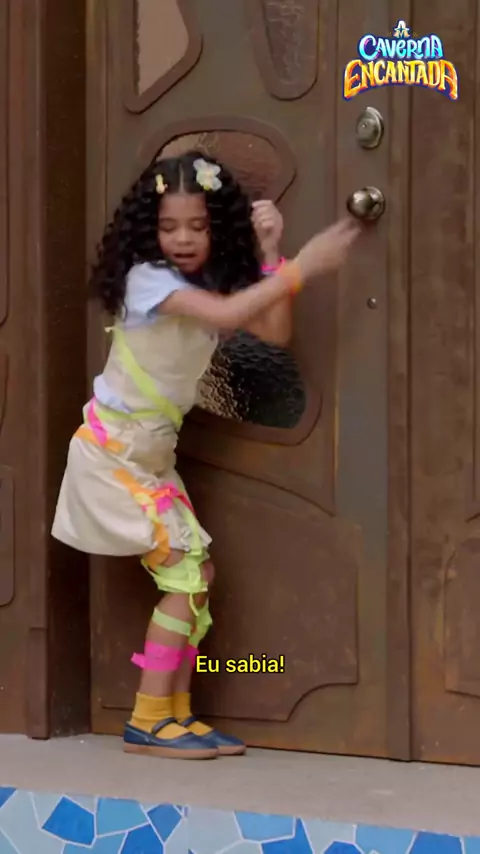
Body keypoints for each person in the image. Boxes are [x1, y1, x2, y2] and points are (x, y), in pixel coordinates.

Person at [51, 150, 359, 761]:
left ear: (218, 225)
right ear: (148, 231)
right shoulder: (148, 280)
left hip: (151, 461)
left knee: (199, 579)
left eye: (197, 225)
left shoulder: (205, 282)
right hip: (114, 457)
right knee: (186, 579)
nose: (184, 238)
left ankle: (176, 714)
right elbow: (227, 315)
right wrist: (305, 267)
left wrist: (271, 252)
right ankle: (147, 719)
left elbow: (272, 332)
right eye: (169, 227)